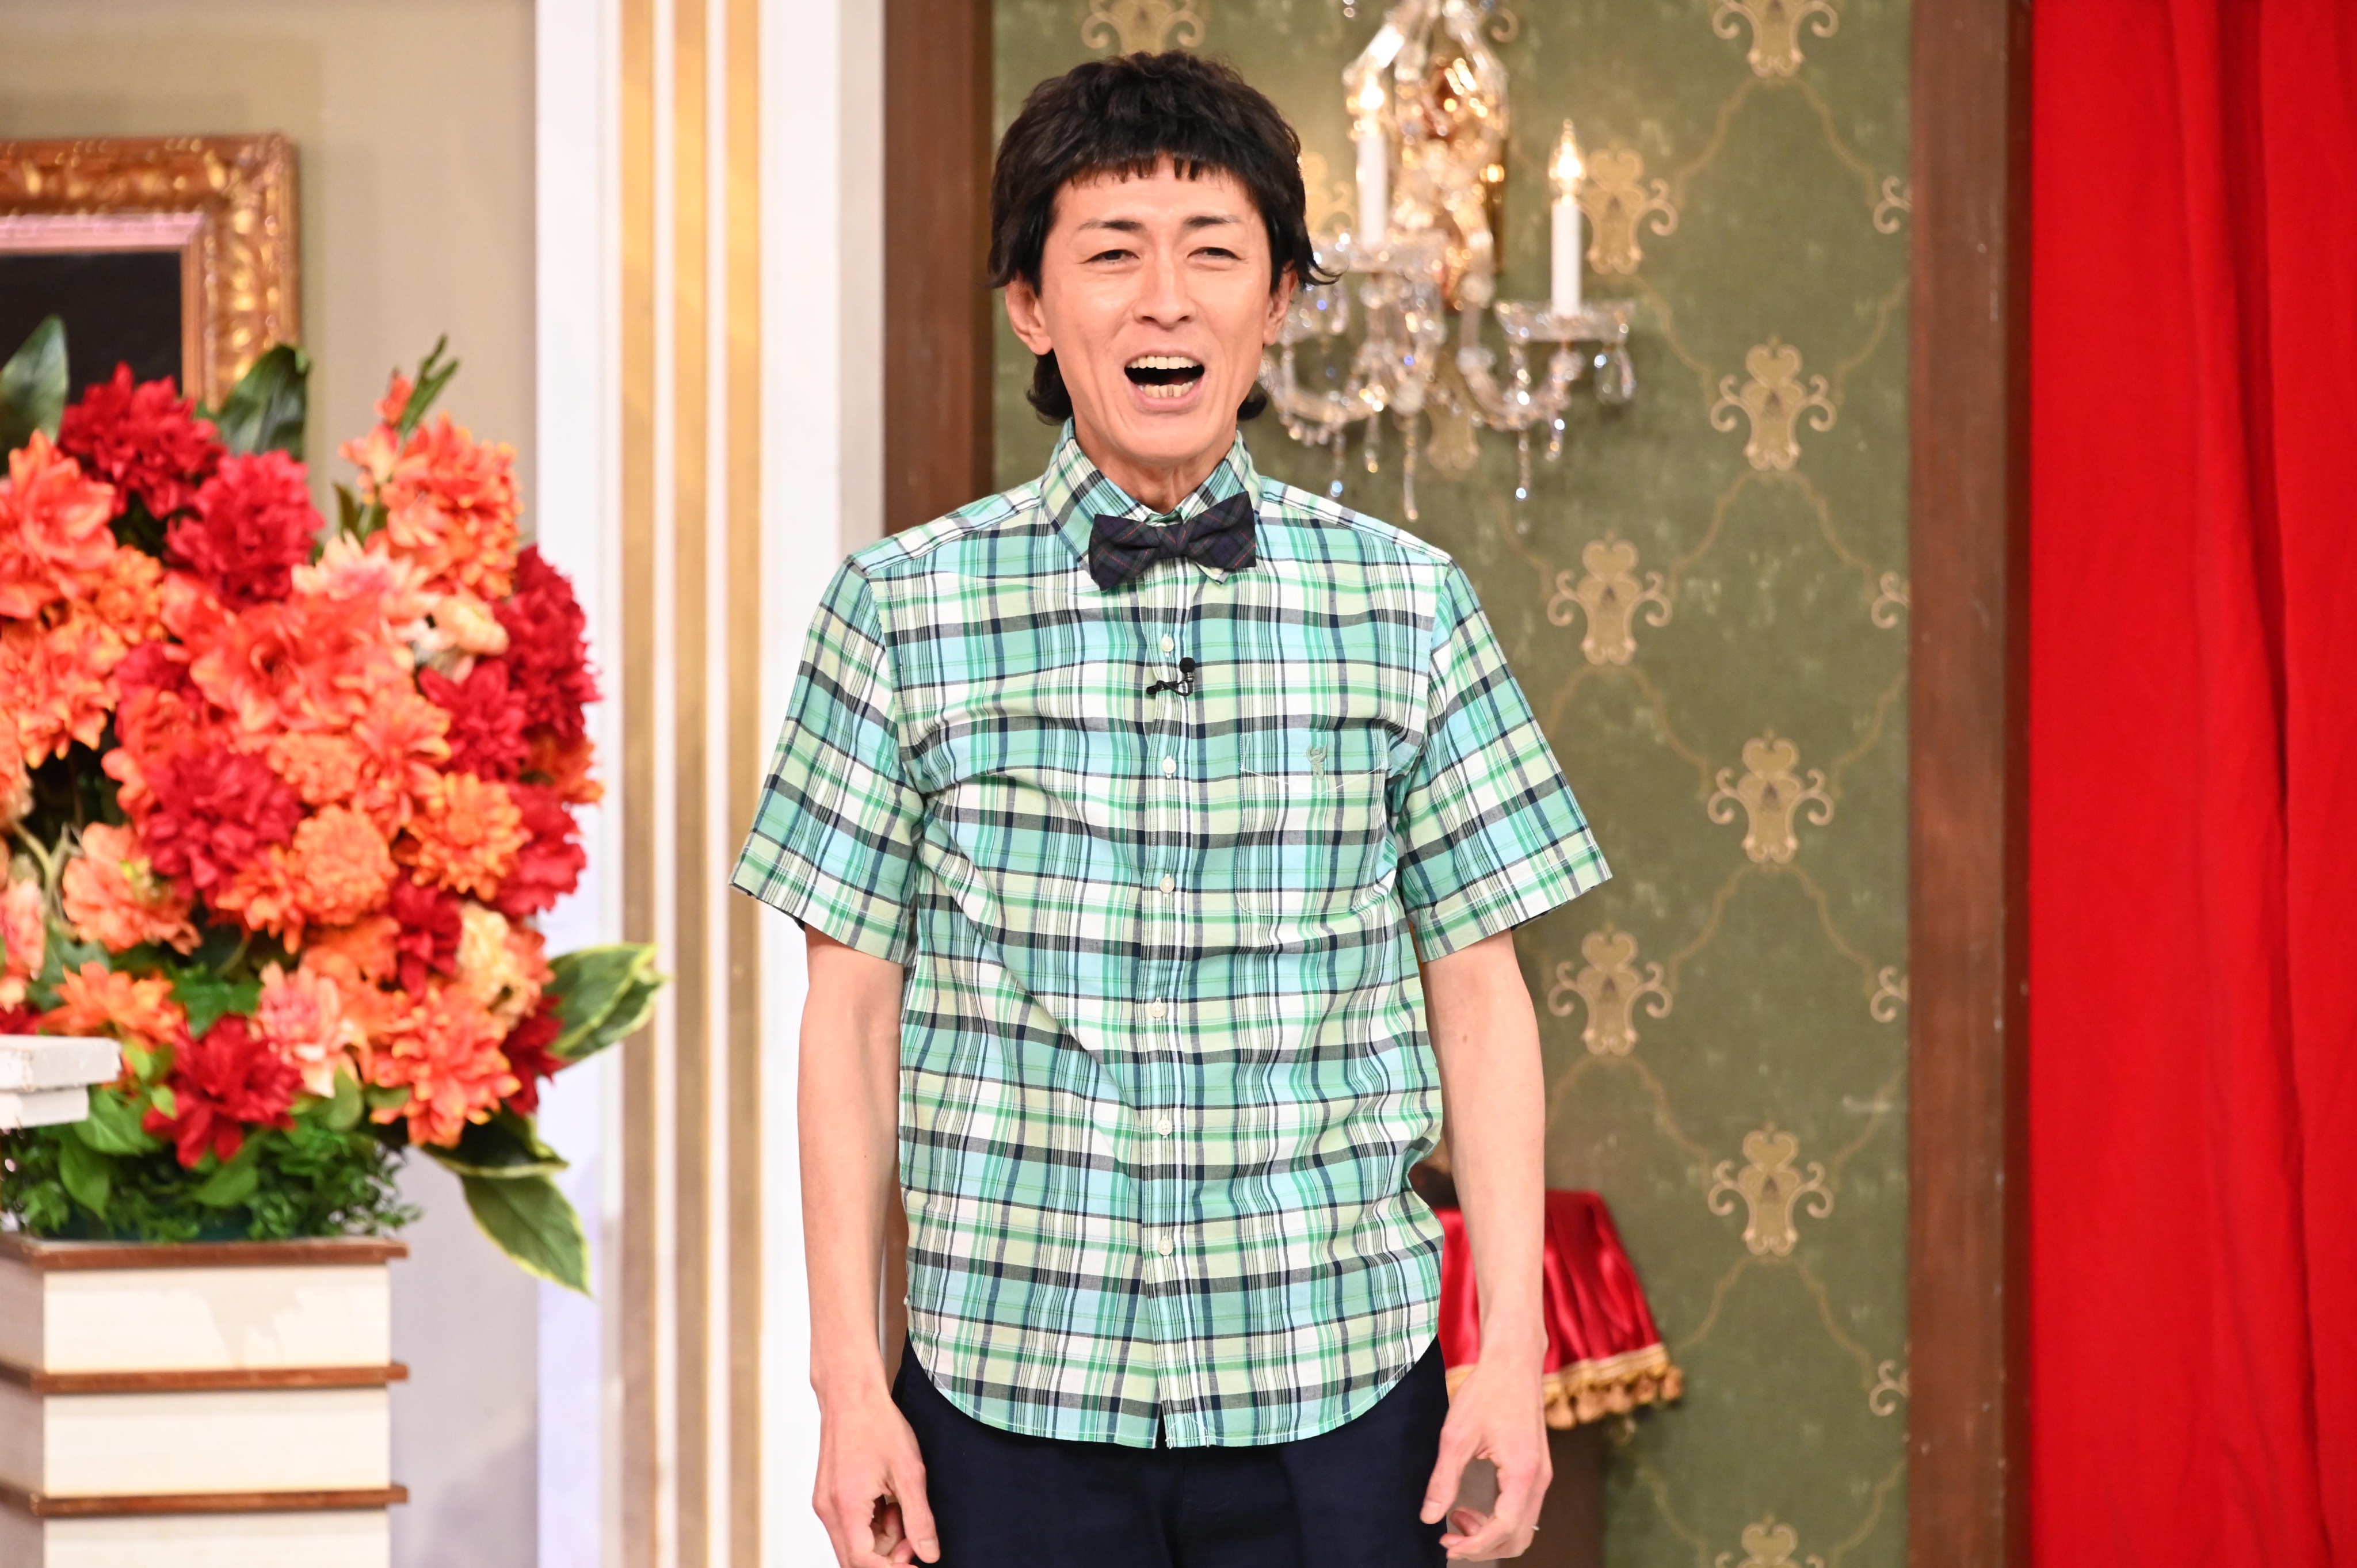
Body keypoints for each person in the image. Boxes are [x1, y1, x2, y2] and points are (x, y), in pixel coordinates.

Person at [732, 50, 1608, 1568]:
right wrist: (845, 1385)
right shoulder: (895, 609)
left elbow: (1481, 998)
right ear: (1030, 304)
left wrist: (1512, 1358)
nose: (1165, 301)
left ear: (1280, 301)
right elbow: (849, 1020)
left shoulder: (1410, 606)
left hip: (1338, 1392)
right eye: (1112, 254)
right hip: (1003, 1395)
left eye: (1213, 252)